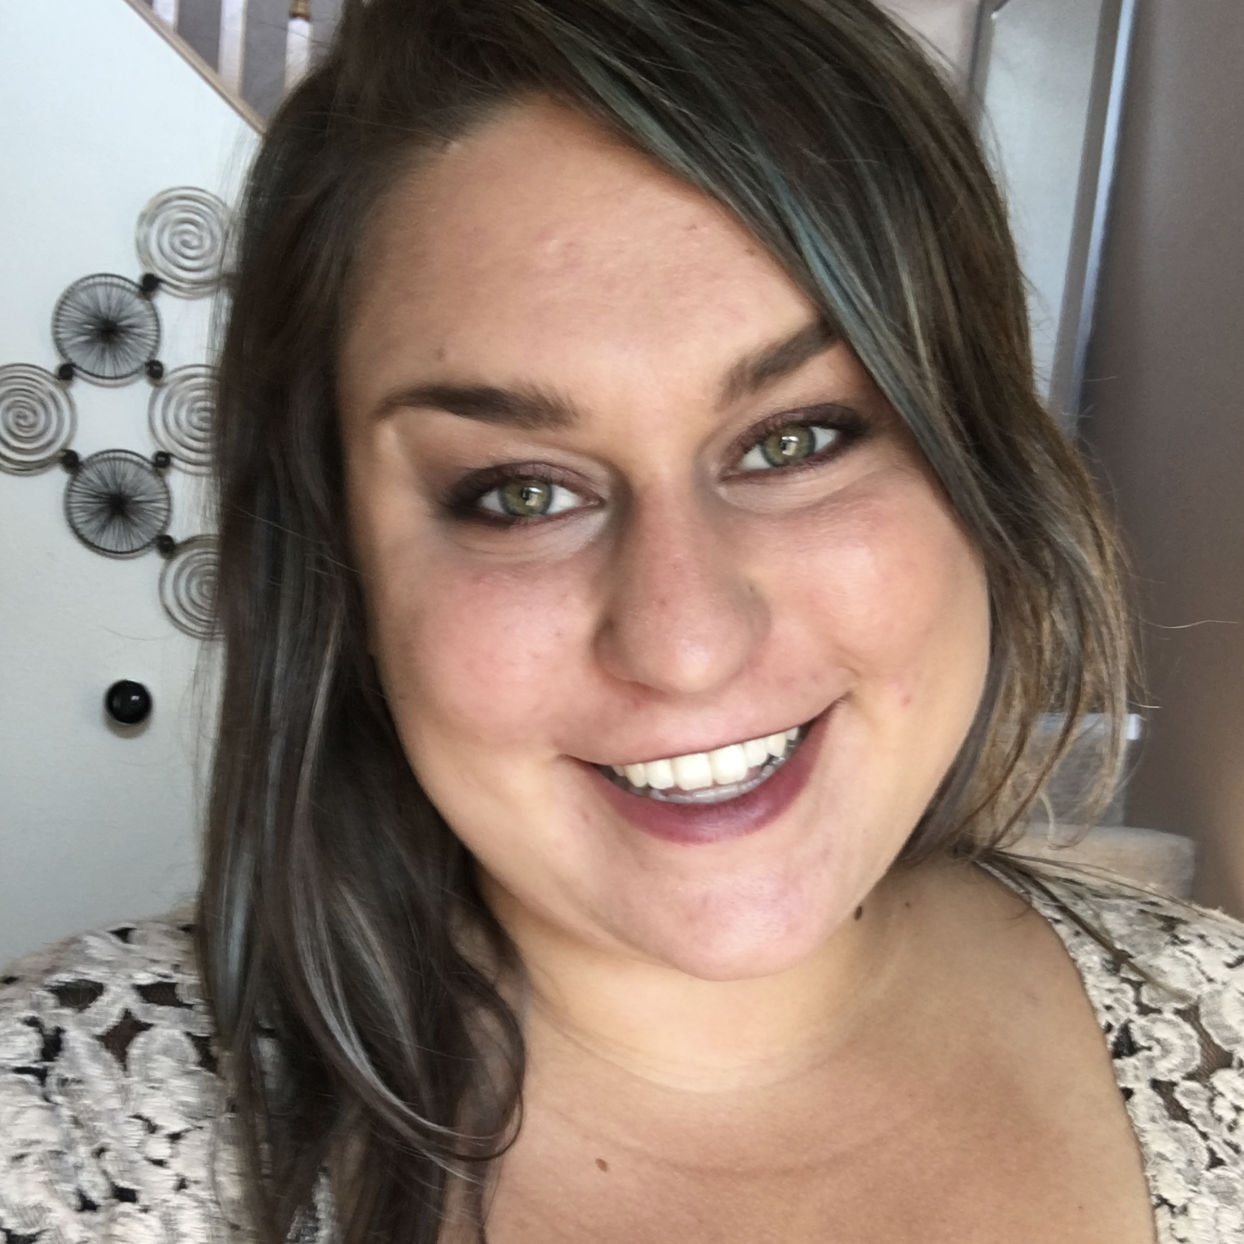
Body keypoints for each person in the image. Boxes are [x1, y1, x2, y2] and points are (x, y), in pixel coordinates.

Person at [2, 0, 1242, 1240]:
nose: (684, 640)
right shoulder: (50, 1139)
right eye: (519, 493)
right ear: (345, 577)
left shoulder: (1218, 1037)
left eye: (795, 439)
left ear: (977, 466)